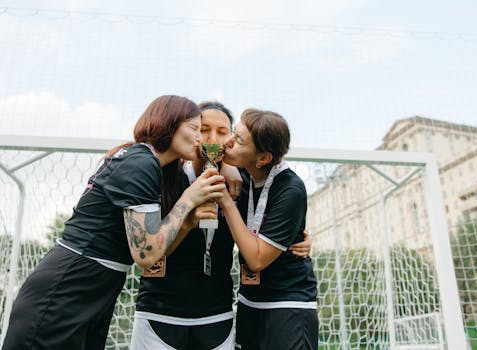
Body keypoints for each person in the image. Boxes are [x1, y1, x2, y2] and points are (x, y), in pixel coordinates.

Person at [2, 95, 226, 350]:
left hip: (96, 289)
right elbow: (146, 254)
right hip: (68, 287)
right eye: (194, 128)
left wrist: (223, 168)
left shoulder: (149, 163)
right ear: (169, 123)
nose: (200, 138)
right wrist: (188, 199)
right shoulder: (141, 163)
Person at [130, 102, 312, 350]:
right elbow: (146, 251)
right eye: (203, 129)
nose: (214, 140)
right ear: (191, 130)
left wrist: (300, 238)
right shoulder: (164, 175)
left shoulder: (244, 181)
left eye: (224, 132)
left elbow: (275, 218)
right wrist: (187, 221)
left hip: (220, 316)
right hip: (159, 312)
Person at [218, 108, 319, 350]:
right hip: (249, 300)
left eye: (239, 140)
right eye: (233, 132)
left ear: (262, 158)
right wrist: (226, 166)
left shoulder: (290, 189)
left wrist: (226, 201)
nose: (228, 142)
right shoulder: (241, 173)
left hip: (287, 303)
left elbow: (257, 259)